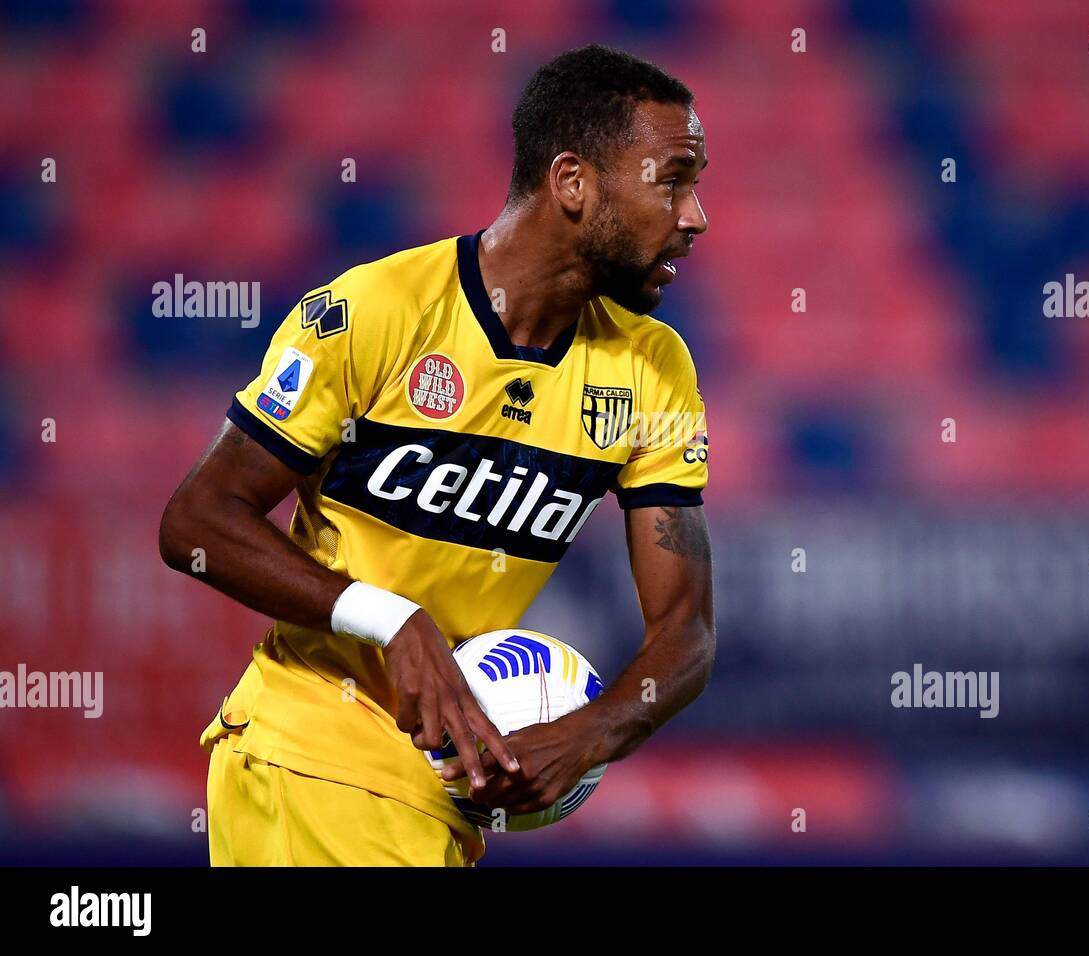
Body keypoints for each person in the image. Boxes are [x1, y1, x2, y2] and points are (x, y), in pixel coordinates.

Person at [158, 43, 715, 866]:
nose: (695, 214)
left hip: (434, 804)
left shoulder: (653, 368)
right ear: (573, 183)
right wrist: (388, 620)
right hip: (316, 758)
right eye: (670, 180)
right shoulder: (377, 312)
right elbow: (196, 521)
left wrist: (591, 734)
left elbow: (687, 629)